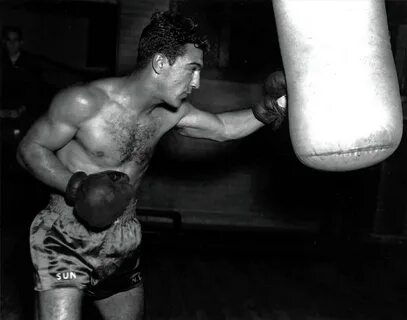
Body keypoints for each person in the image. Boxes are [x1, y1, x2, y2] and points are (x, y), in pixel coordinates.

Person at [17, 11, 287, 320]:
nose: (197, 82)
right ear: (161, 63)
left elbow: (223, 128)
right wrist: (75, 186)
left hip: (122, 238)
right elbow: (29, 149)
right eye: (192, 69)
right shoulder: (84, 102)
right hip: (64, 234)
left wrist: (275, 107)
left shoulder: (171, 113)